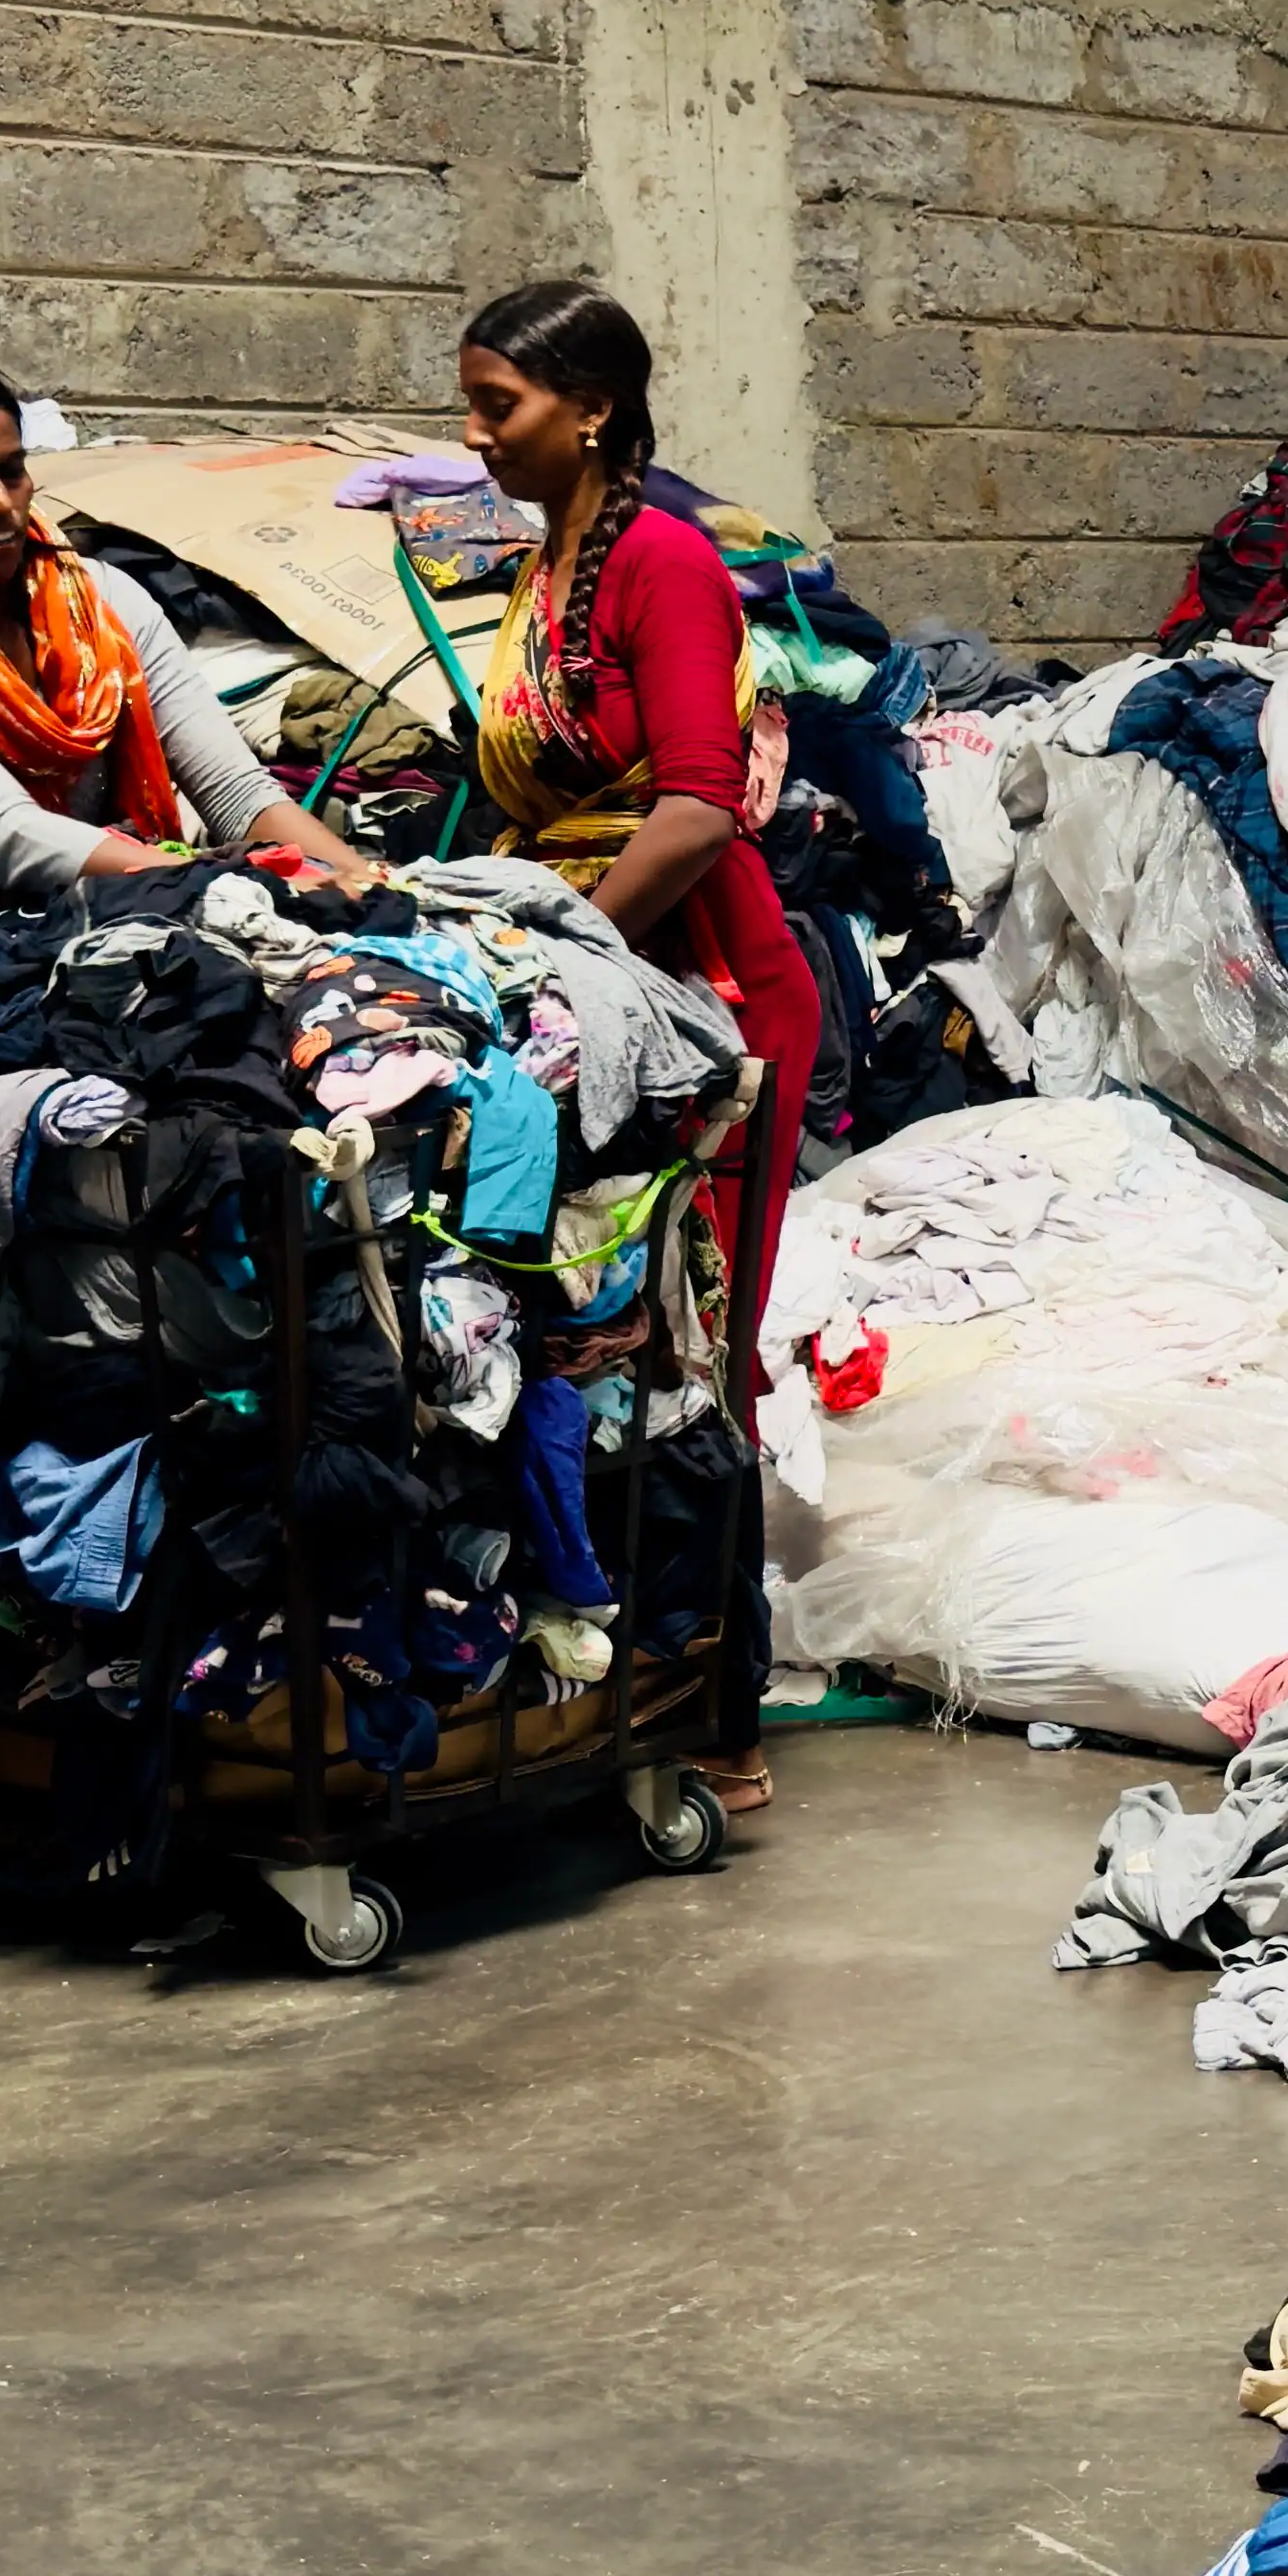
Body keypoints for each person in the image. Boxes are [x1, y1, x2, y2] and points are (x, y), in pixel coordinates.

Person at [451, 279, 821, 1811]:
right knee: (593, 1329)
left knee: (696, 1344)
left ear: (590, 408)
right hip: (612, 973)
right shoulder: (549, 568)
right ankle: (623, 1672)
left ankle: (718, 1717)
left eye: (498, 407)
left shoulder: (663, 561)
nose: (472, 438)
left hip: (706, 986)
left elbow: (697, 802)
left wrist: (576, 951)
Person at [0, 346, 360, 931]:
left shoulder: (104, 600)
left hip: (70, 920)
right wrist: (228, 884)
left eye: (10, 471)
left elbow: (233, 790)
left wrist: (359, 878)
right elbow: (10, 831)